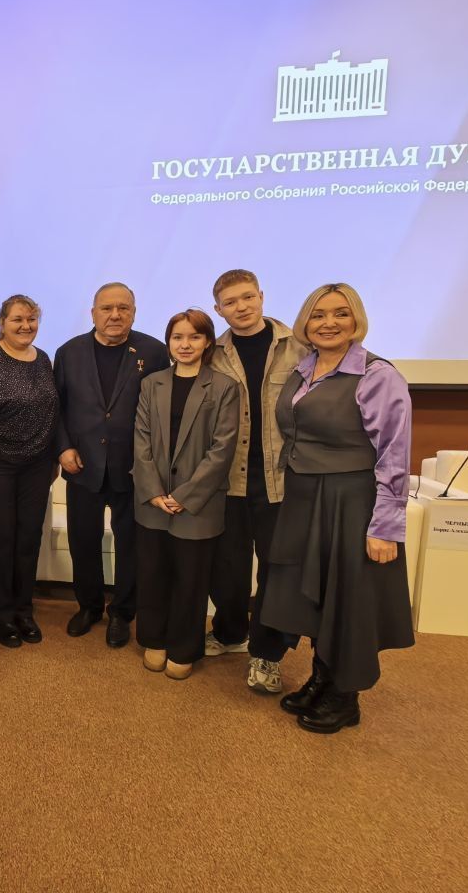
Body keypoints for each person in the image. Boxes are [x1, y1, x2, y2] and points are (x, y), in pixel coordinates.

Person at [261, 283, 414, 733]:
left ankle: (346, 697)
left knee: (349, 598)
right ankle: (322, 678)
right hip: (305, 498)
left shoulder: (377, 375)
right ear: (305, 322)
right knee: (314, 595)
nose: (329, 323)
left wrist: (385, 527)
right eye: (319, 314)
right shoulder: (303, 369)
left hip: (351, 501)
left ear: (356, 320)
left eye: (340, 314)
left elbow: (394, 453)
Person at [207, 270, 308, 693]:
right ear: (219, 310)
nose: (241, 307)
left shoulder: (299, 347)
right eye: (230, 302)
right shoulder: (212, 354)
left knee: (274, 571)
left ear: (262, 296)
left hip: (279, 480)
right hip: (227, 480)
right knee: (226, 569)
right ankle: (230, 633)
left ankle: (267, 653)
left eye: (247, 297)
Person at [54, 282, 170, 647]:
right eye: (107, 308)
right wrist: (63, 448)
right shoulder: (68, 352)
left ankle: (122, 612)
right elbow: (57, 407)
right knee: (83, 541)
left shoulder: (154, 351)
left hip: (133, 468)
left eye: (123, 308)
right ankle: (88, 606)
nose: (115, 315)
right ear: (93, 313)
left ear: (134, 313)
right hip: (82, 466)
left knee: (130, 545)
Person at [133, 309, 239, 680]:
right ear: (168, 342)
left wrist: (186, 495)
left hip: (199, 504)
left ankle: (183, 647)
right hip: (154, 500)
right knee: (153, 574)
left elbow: (222, 449)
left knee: (190, 580)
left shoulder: (224, 387)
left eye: (194, 337)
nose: (185, 344)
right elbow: (141, 439)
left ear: (208, 341)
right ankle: (154, 639)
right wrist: (153, 491)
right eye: (178, 337)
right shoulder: (152, 383)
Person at [0, 295, 59, 647]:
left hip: (37, 465)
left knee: (29, 538)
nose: (25, 326)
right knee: (0, 540)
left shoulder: (44, 359)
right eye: (17, 319)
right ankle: (2, 614)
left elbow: (52, 411)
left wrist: (52, 460)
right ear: (2, 322)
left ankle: (24, 610)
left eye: (32, 319)